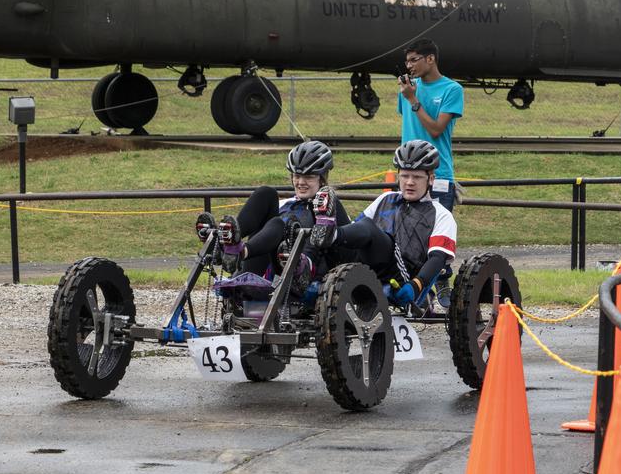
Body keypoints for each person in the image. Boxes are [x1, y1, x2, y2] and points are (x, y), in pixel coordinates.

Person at [311, 140, 456, 308]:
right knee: (332, 207)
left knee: (368, 227)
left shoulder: (441, 214)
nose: (409, 182)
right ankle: (307, 269)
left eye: (416, 177)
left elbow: (437, 259)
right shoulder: (386, 199)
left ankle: (332, 235)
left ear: (431, 179)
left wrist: (416, 285)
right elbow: (357, 231)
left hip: (400, 275)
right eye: (404, 176)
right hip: (367, 264)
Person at [196, 140, 350, 282]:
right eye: (297, 176)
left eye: (308, 177)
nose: (300, 182)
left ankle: (240, 251)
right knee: (266, 193)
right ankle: (224, 245)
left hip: (297, 274)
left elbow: (346, 249)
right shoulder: (287, 204)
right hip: (259, 266)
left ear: (322, 178)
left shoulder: (331, 207)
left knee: (278, 224)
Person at [397, 38, 463, 210]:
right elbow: (410, 123)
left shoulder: (452, 89)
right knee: (404, 233)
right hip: (408, 173)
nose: (409, 66)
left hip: (438, 175)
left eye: (413, 60)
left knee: (435, 232)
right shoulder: (407, 89)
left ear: (430, 59)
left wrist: (412, 99)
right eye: (407, 61)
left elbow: (436, 130)